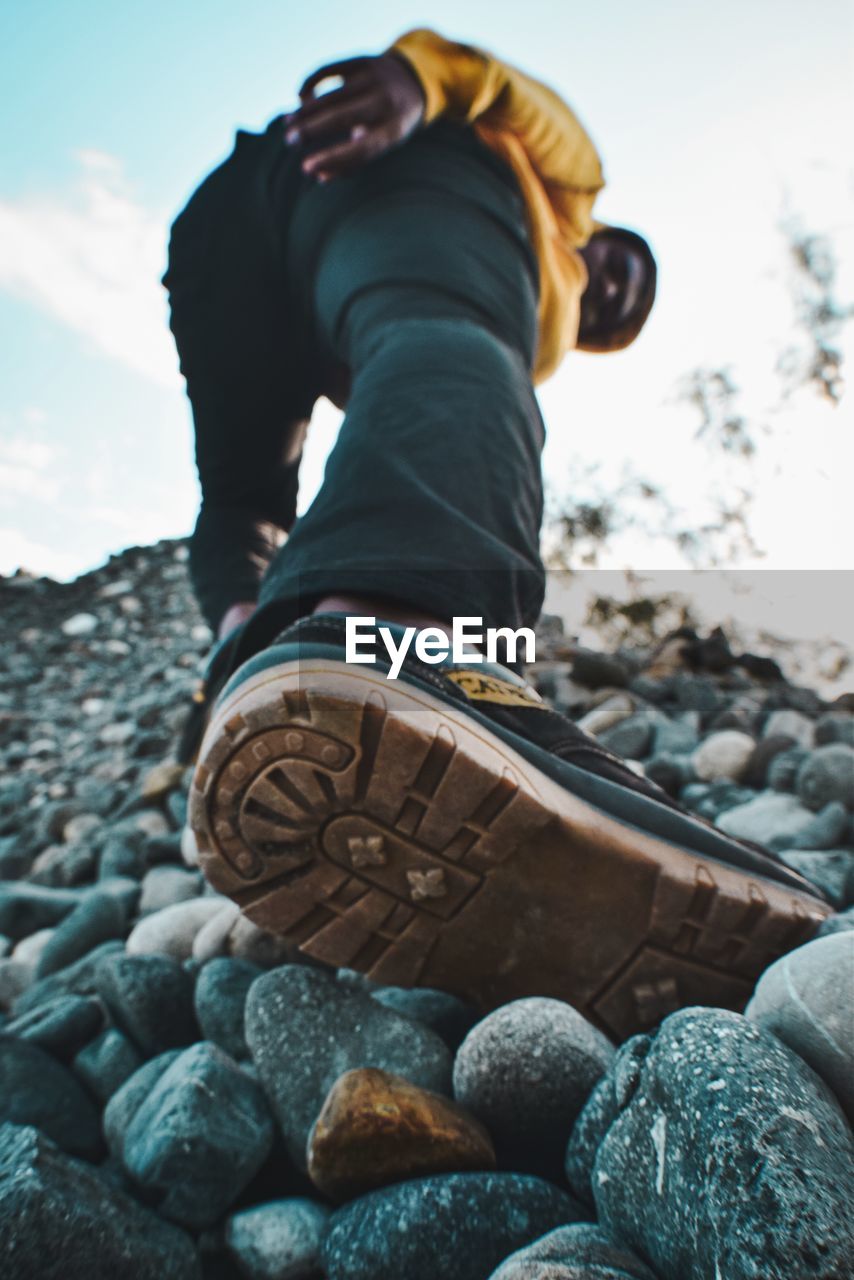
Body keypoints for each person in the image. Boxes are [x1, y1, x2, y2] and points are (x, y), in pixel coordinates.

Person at [164, 29, 829, 1039]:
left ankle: (248, 646)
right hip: (380, 164)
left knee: (247, 497)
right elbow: (502, 87)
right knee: (462, 346)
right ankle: (391, 642)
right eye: (620, 267)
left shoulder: (496, 297)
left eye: (624, 305)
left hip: (238, 237)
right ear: (599, 238)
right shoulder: (554, 199)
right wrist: (413, 85)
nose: (612, 287)